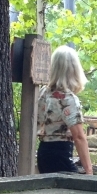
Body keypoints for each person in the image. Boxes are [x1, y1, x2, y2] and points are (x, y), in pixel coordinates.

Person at [36, 46, 93, 175]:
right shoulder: (68, 98)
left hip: (43, 153)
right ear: (74, 69)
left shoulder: (43, 92)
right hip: (60, 155)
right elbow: (79, 137)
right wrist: (89, 171)